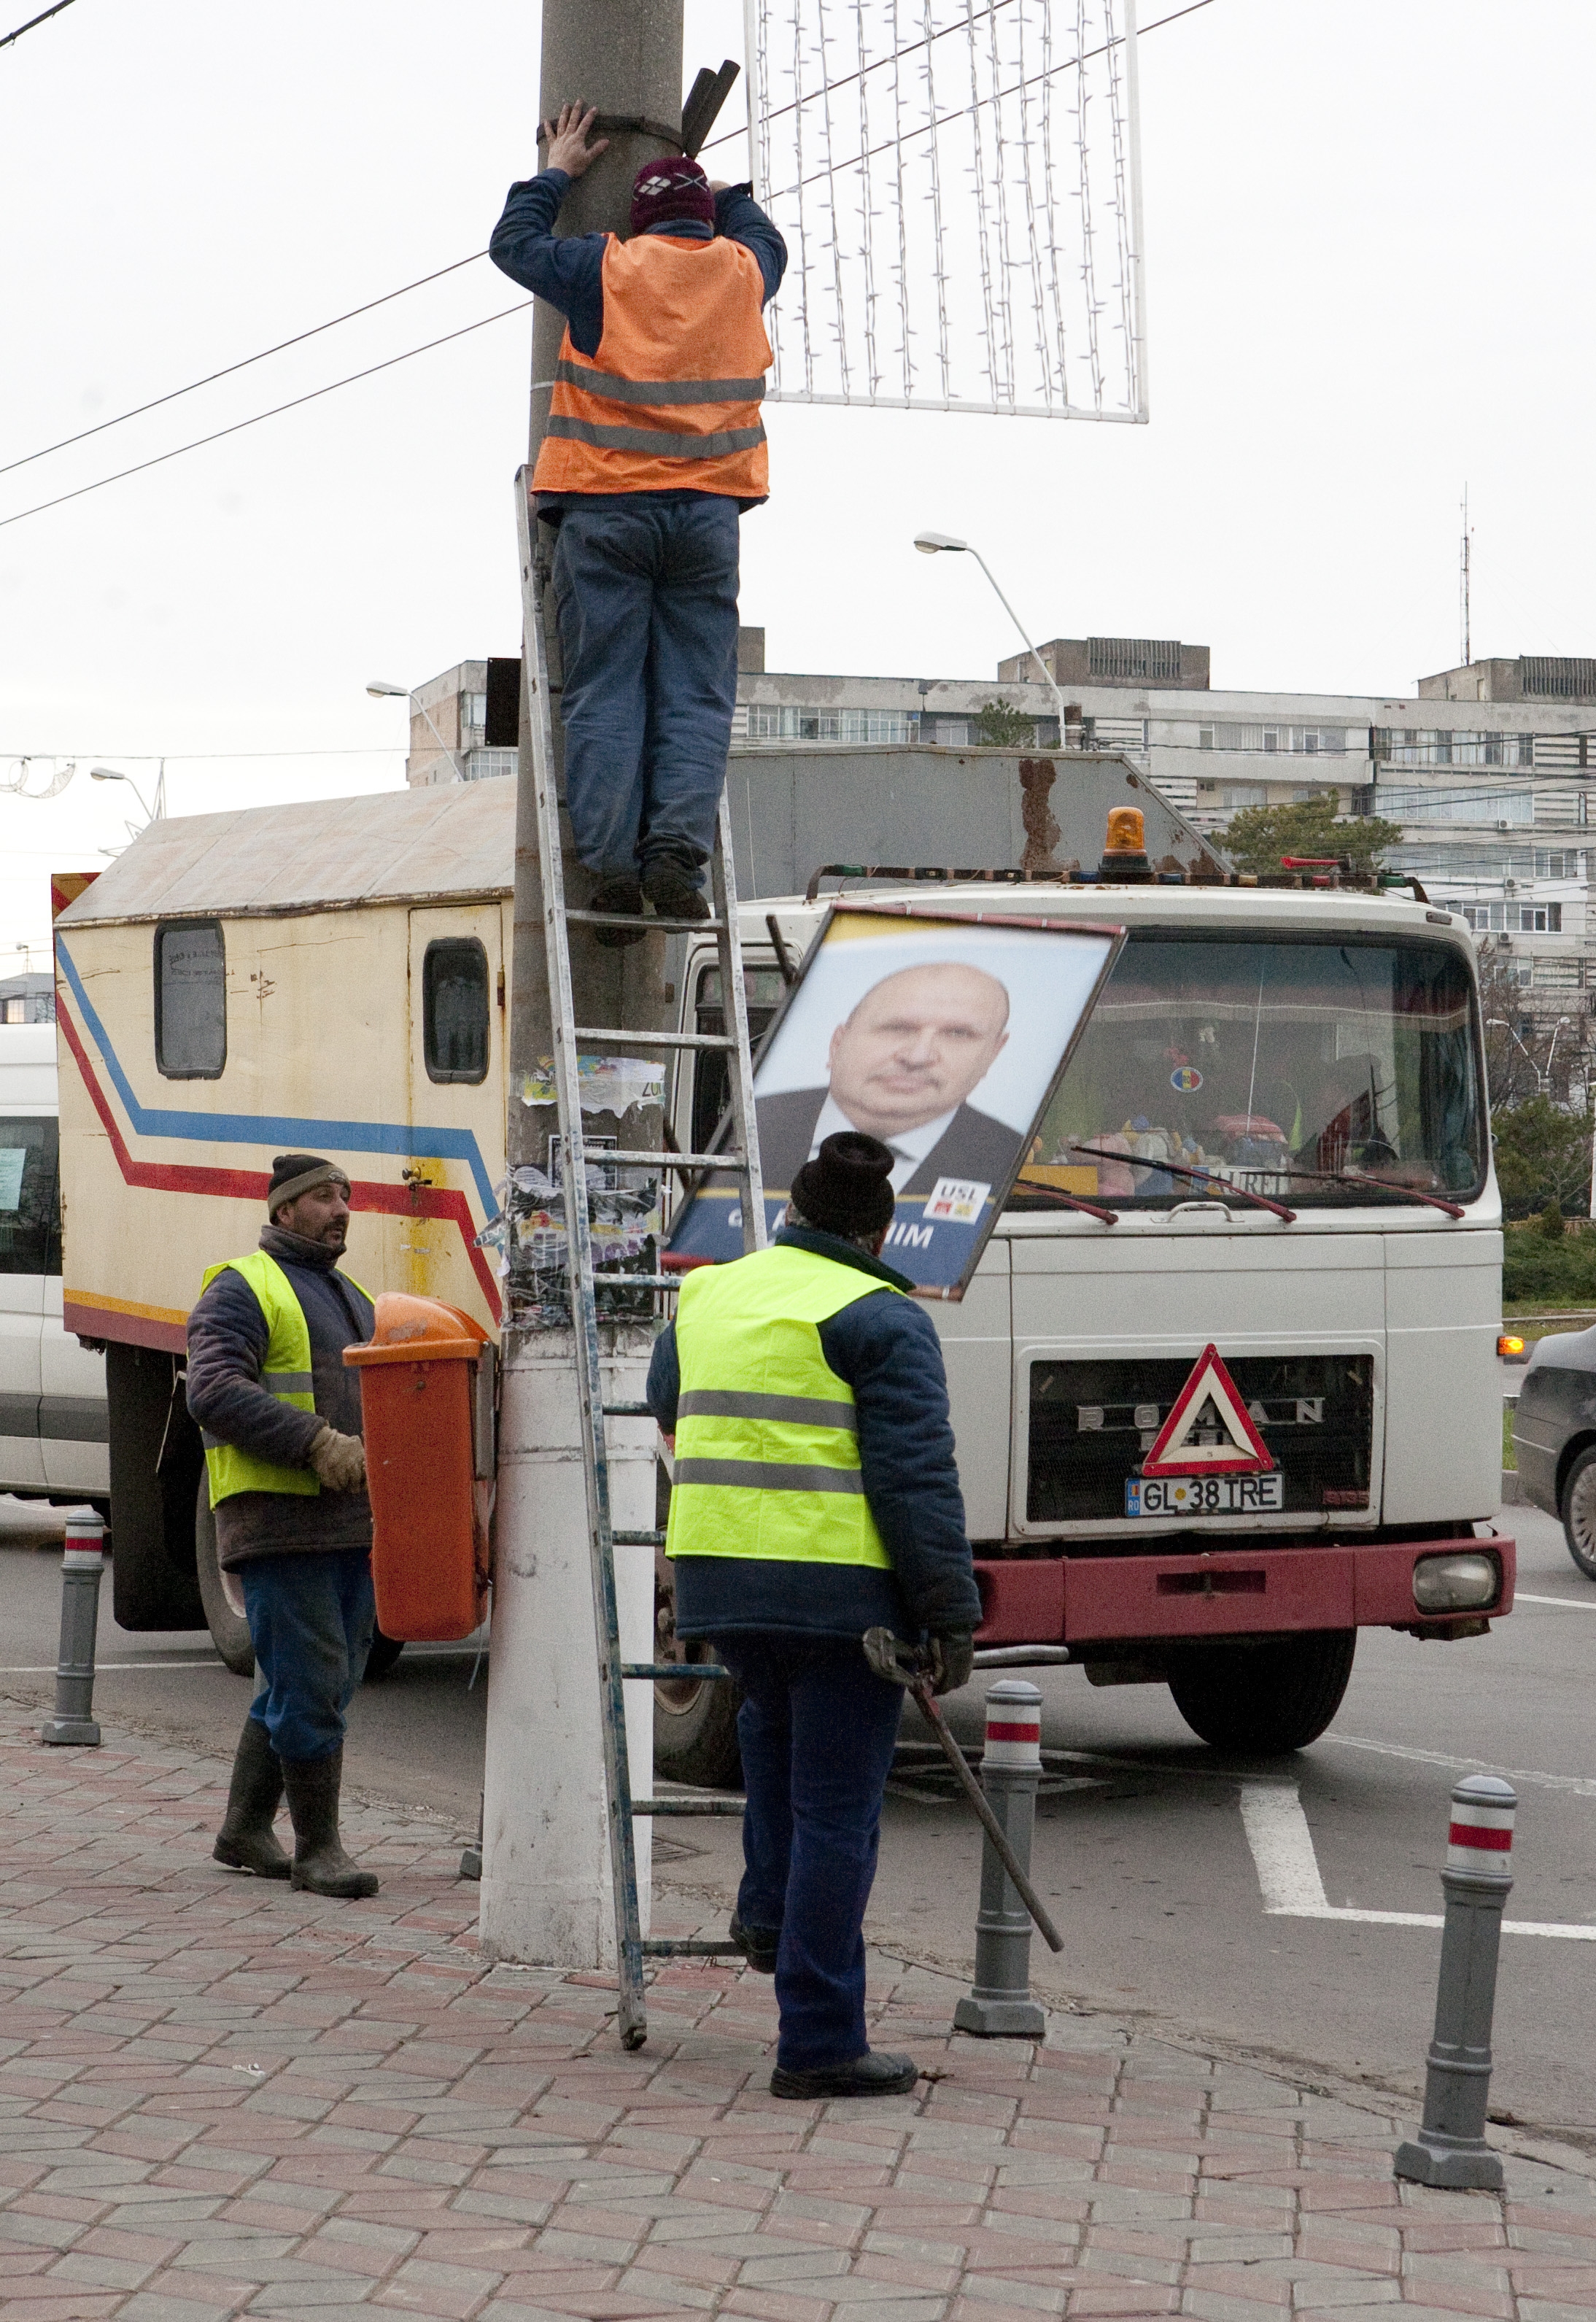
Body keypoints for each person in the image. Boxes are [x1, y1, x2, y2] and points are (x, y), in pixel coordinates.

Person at [646, 1131, 983, 2097]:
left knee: (772, 1752)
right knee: (837, 1810)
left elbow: (664, 1394)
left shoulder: (711, 1291)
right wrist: (950, 1615)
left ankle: (765, 1913)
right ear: (881, 1232)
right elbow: (917, 1481)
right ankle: (821, 2038)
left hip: (722, 1586)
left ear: (790, 1213)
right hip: (840, 1600)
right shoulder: (880, 1316)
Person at [489, 105, 787, 945]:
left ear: (639, 218)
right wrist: (726, 193)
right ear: (705, 217)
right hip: (705, 520)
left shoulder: (605, 269)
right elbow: (764, 233)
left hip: (607, 510)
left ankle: (613, 874)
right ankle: (674, 859)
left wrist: (557, 168)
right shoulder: (744, 271)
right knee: (694, 695)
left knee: (606, 690)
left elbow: (512, 246)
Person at [186, 1154, 381, 1900]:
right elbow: (213, 1391)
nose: (341, 1209)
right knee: (310, 1680)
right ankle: (318, 1850)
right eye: (325, 1197)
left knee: (326, 1677)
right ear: (285, 1209)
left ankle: (243, 1828)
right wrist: (314, 1442)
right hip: (280, 1522)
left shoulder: (351, 1295)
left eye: (345, 1197)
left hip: (348, 1525)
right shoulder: (242, 1286)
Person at [757, 960, 1019, 1199]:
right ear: (837, 1044)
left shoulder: (1010, 1156)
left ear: (993, 1054)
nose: (917, 1057)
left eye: (957, 1034)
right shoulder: (755, 1124)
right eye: (897, 1028)